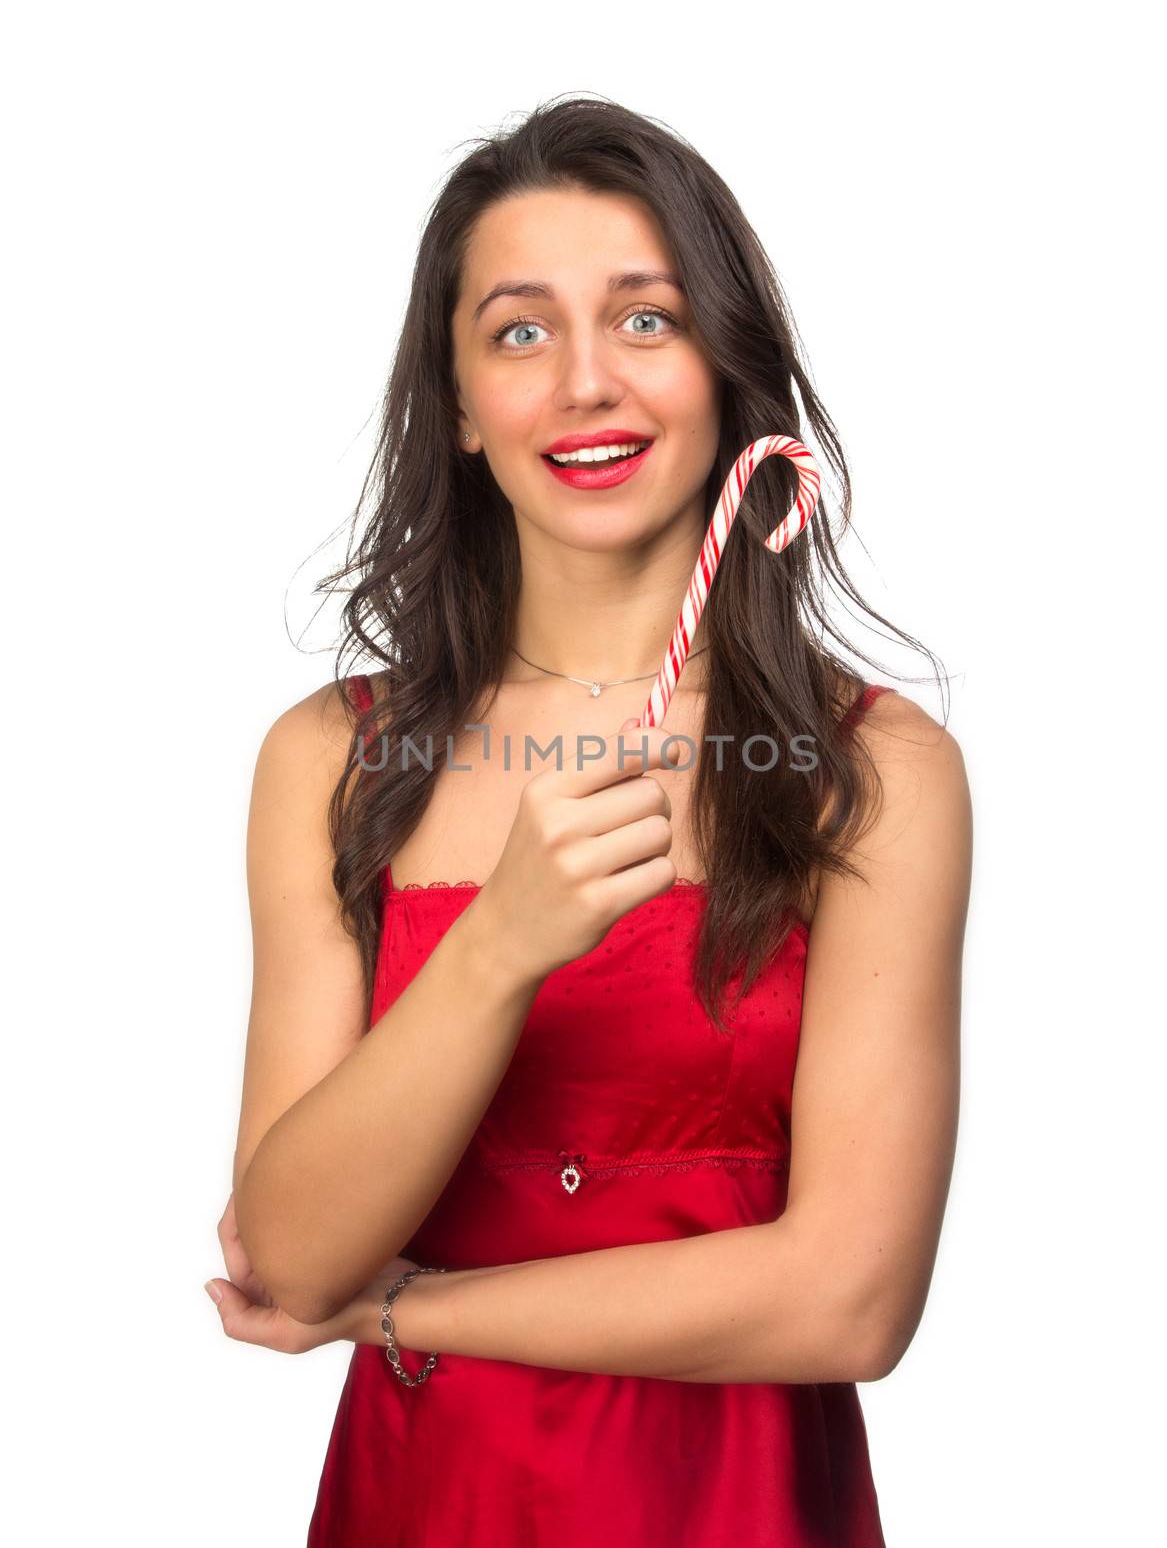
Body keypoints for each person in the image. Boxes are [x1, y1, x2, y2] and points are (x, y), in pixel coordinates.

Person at [205, 96, 972, 1547]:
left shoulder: (873, 772)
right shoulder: (334, 761)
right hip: (434, 1504)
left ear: (725, 374)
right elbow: (291, 1252)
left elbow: (851, 1301)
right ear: (460, 410)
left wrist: (412, 1307)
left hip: (740, 1509)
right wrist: (500, 945)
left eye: (644, 319)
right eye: (517, 332)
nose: (582, 385)